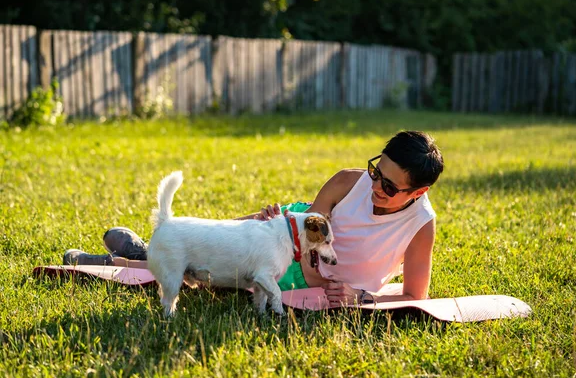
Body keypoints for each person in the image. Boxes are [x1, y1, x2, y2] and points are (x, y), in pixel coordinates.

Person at [63, 130, 444, 306]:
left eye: (391, 187)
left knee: (208, 280)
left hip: (317, 286)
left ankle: (128, 258)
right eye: (377, 172)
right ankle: (136, 255)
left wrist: (359, 297)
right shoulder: (349, 181)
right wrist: (282, 226)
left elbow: (415, 296)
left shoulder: (420, 226)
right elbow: (310, 230)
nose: (376, 185)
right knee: (207, 245)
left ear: (418, 192)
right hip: (286, 245)